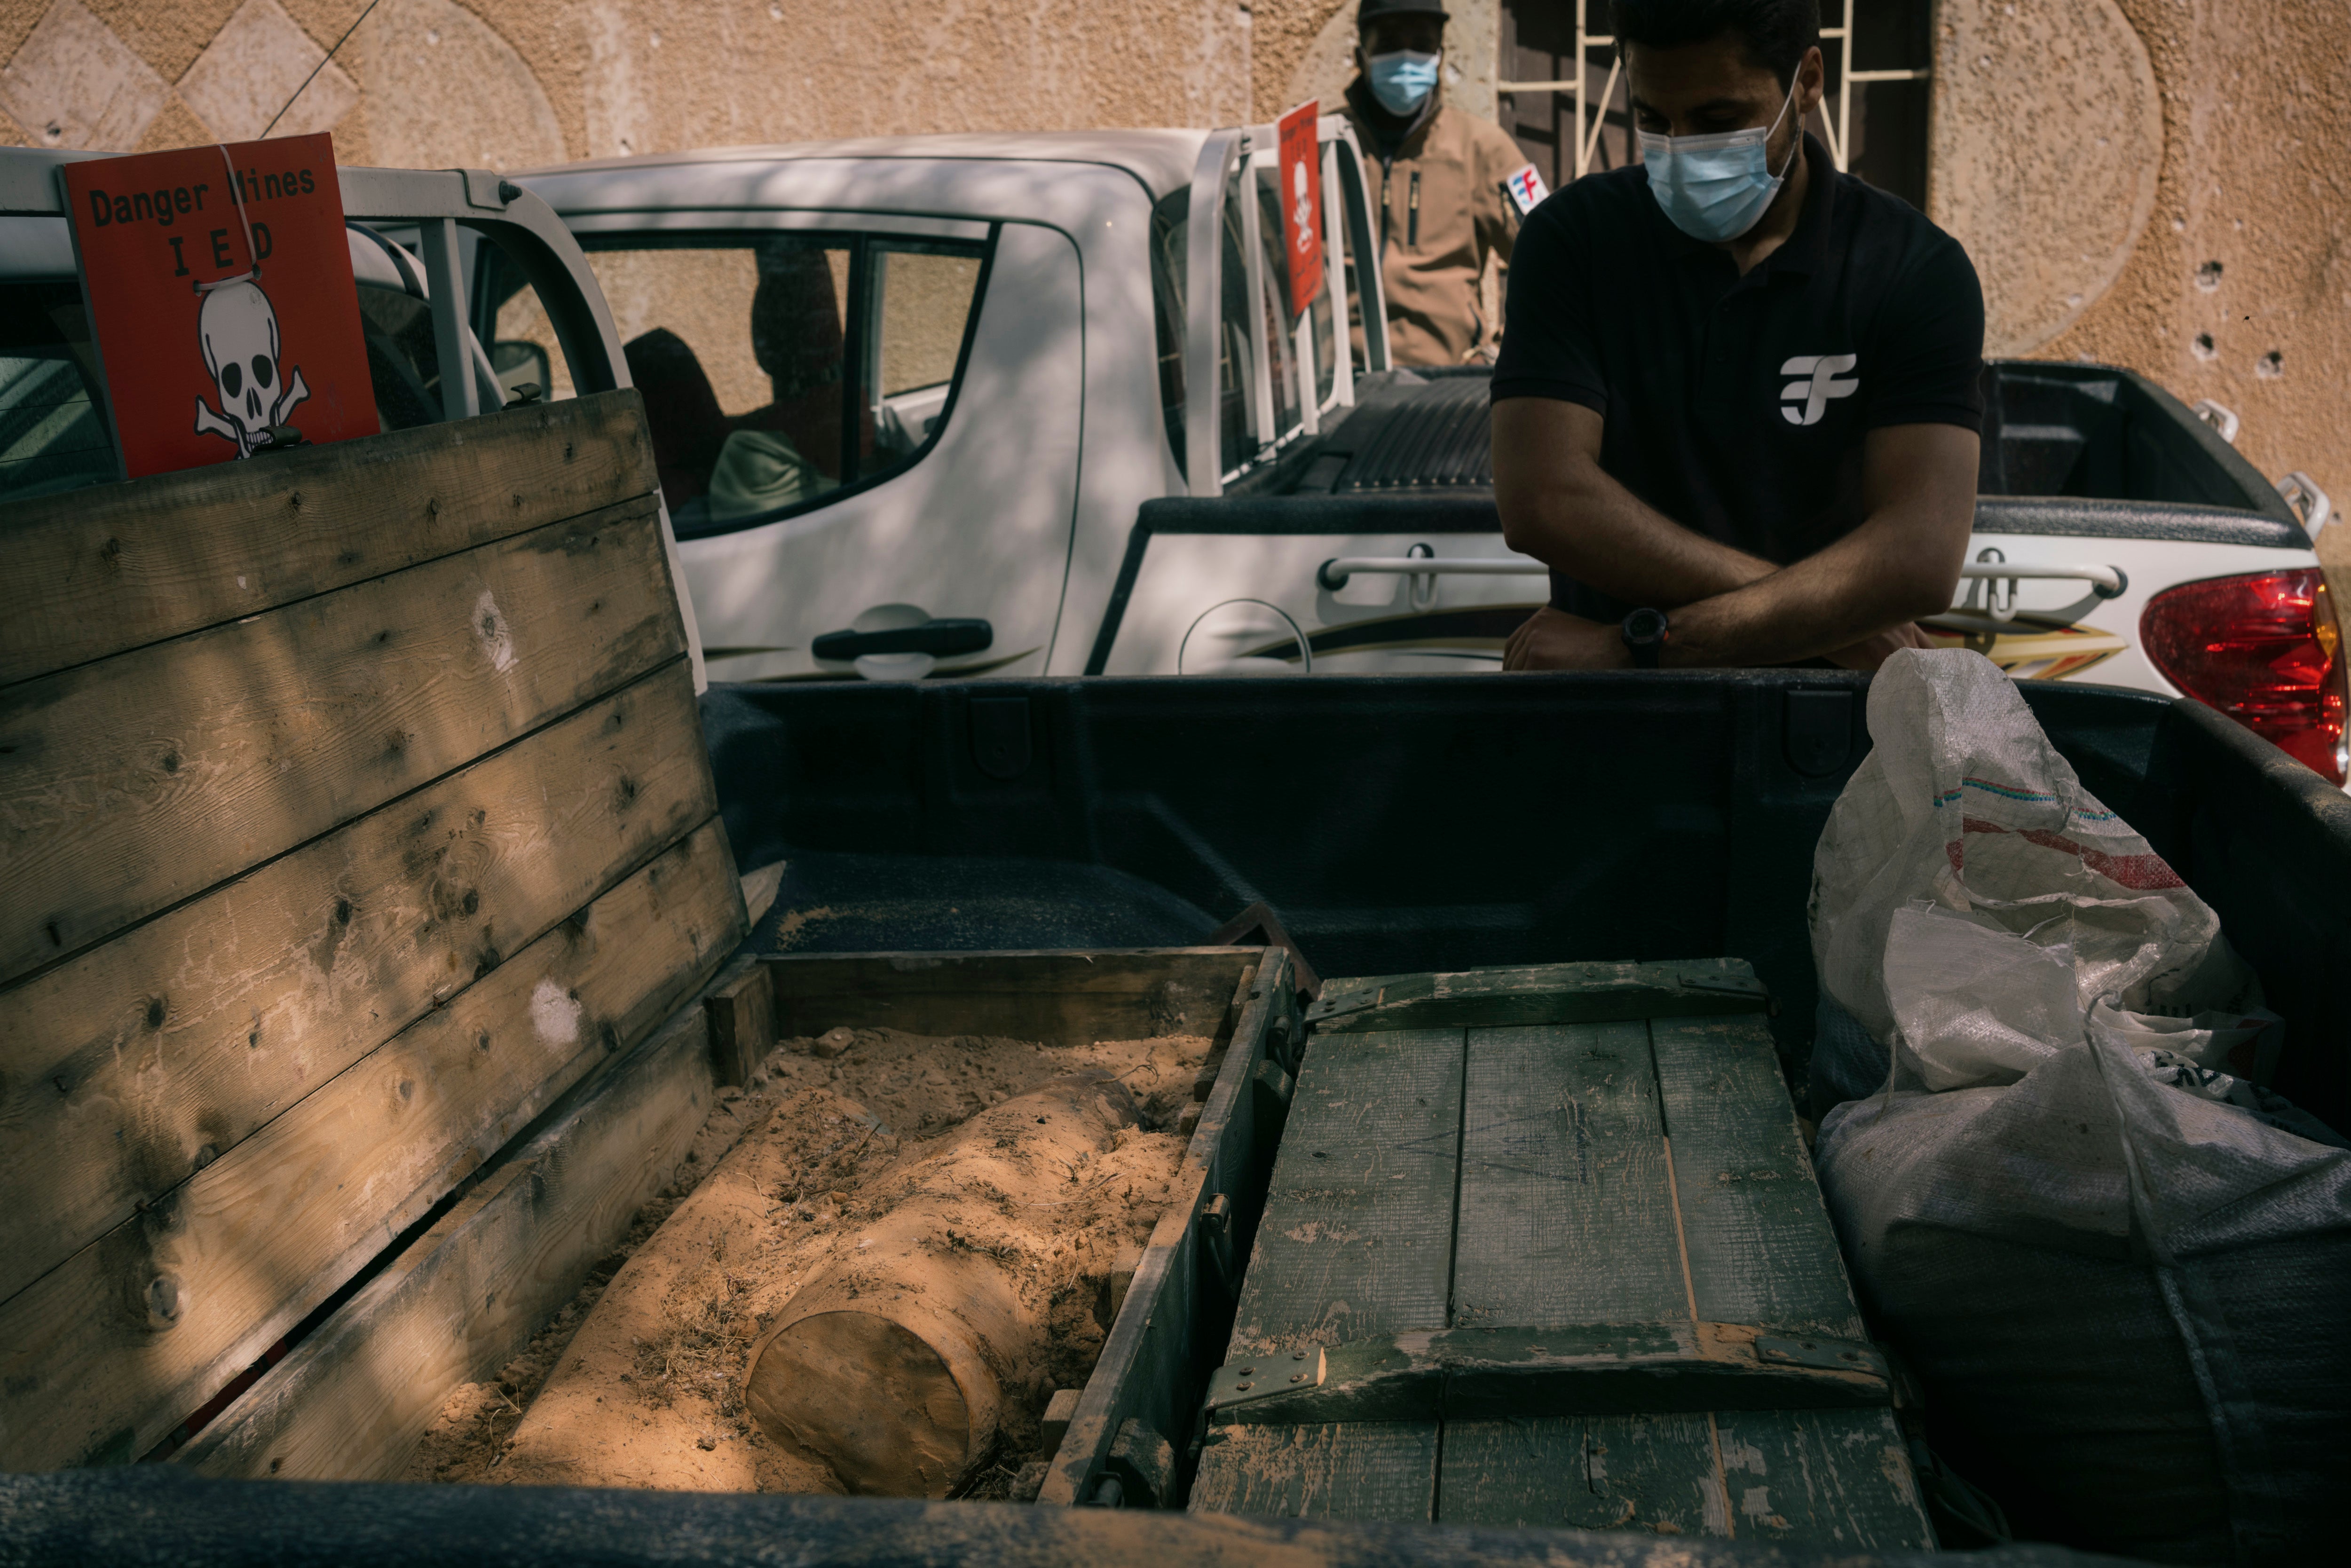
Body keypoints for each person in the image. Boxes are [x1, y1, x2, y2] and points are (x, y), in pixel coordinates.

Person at [1489, 0, 1984, 672]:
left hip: (1823, 732)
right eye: (1653, 121)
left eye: (1719, 121)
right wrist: (1834, 623)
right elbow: (1544, 500)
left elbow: (1919, 556)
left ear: (1808, 82)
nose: (1682, 148)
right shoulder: (1574, 242)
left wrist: (1635, 644)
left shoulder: (1911, 269)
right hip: (1620, 733)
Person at [1341, 0, 1536, 367]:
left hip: (1444, 387)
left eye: (1421, 44)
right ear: (1360, 55)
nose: (1406, 57)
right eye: (1388, 44)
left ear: (1440, 56)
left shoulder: (1482, 149)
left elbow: (1553, 262)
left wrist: (1497, 353)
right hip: (1335, 386)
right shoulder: (1321, 147)